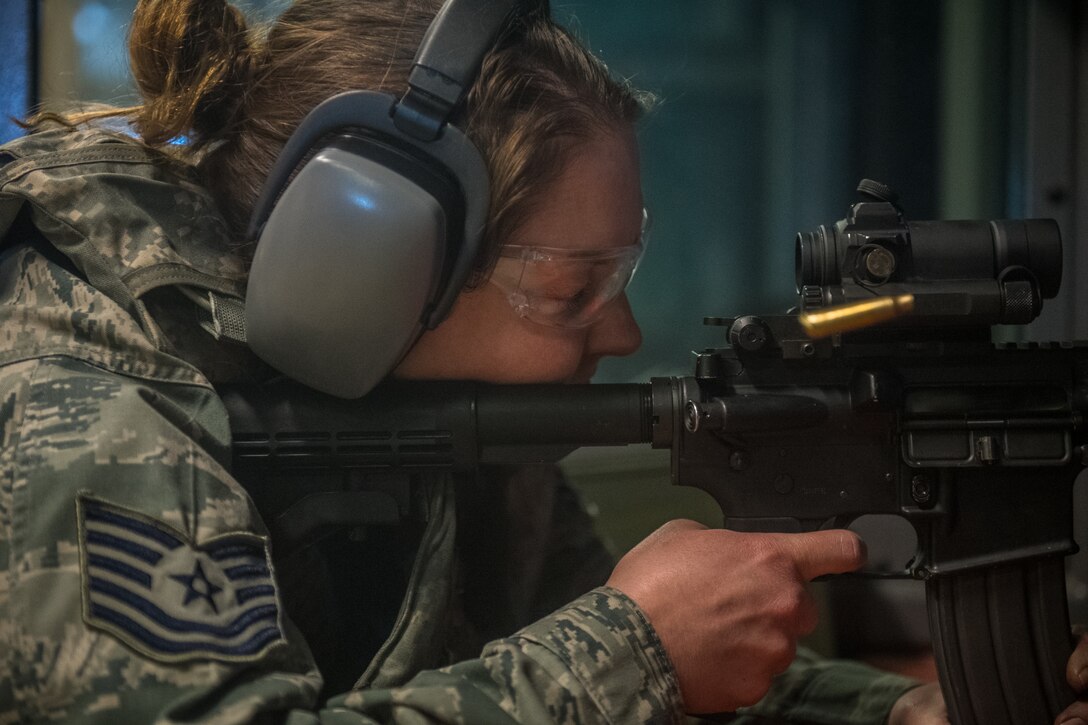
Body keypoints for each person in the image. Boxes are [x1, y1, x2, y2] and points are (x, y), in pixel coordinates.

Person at [0, 0, 1057, 722]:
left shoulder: (433, 395)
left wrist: (899, 710)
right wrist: (634, 651)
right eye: (567, 289)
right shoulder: (82, 414)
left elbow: (578, 638)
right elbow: (613, 657)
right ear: (362, 272)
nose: (621, 332)